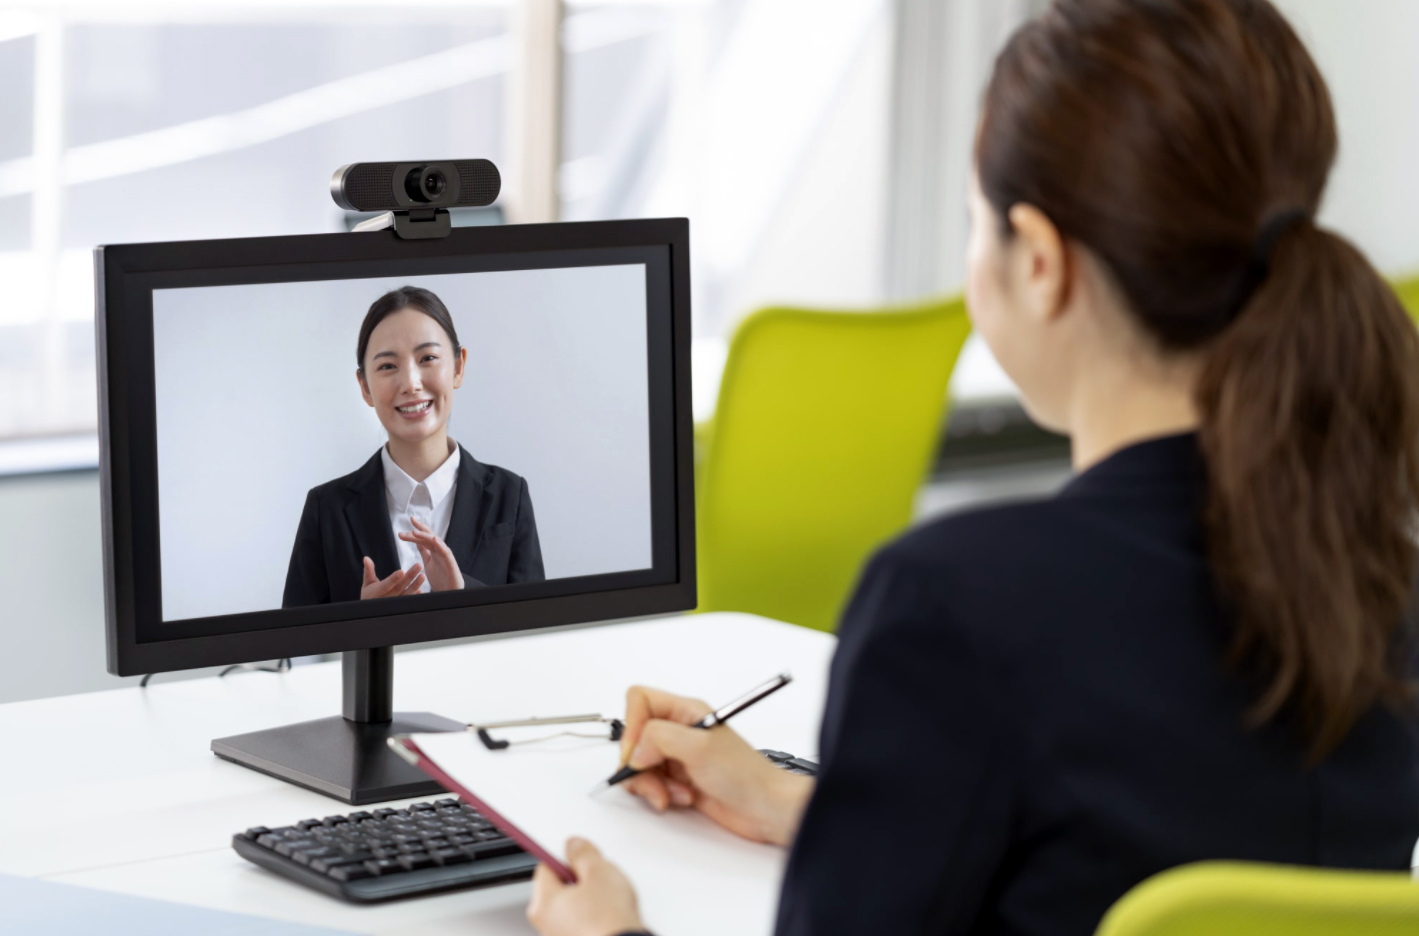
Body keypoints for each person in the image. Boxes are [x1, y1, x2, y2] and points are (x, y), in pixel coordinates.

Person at [523, 1, 1419, 934]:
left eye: (972, 219)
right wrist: (812, 810)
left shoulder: (955, 609)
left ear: (1039, 260)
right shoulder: (1374, 583)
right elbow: (1136, 857)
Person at [282, 286, 544, 607]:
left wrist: (460, 595)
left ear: (458, 367)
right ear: (364, 386)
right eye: (388, 366)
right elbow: (295, 651)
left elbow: (535, 632)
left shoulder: (509, 495)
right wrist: (359, 626)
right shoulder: (327, 509)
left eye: (428, 358)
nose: (411, 383)